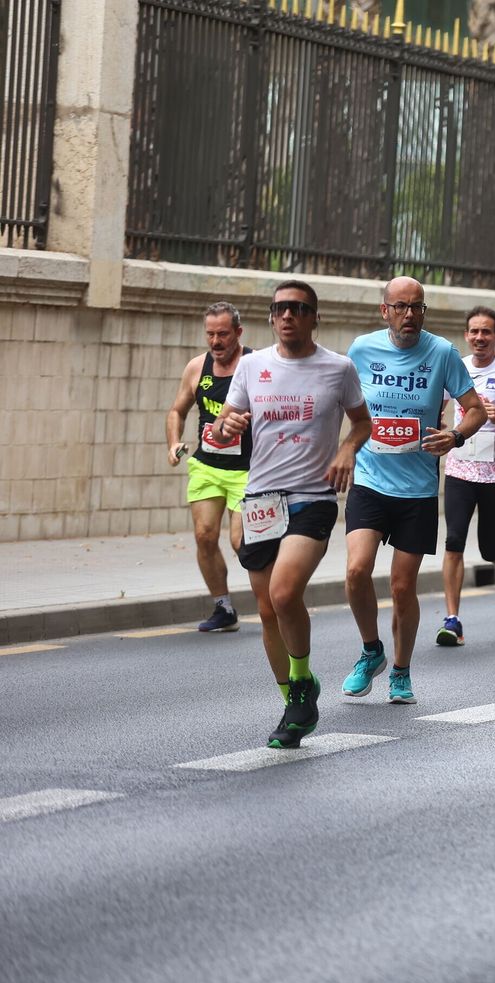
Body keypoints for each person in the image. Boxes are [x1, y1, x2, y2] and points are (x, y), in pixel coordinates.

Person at [209, 280, 370, 748]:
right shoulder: (252, 366)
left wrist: (346, 451)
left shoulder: (337, 368)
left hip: (313, 498)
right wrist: (227, 423)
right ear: (271, 315)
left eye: (298, 308)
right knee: (265, 610)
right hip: (261, 500)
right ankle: (294, 703)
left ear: (313, 317)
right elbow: (221, 428)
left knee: (283, 593)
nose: (288, 315)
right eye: (280, 308)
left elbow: (363, 422)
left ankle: (300, 681)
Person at [341, 277, 485, 705]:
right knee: (355, 571)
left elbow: (475, 409)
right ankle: (371, 651)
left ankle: (401, 670)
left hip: (418, 490)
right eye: (401, 307)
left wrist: (455, 437)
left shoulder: (441, 352)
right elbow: (344, 407)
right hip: (369, 480)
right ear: (384, 311)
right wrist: (344, 450)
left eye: (418, 307)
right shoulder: (361, 350)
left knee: (403, 587)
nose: (410, 315)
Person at [436, 306, 495, 646]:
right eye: (474, 331)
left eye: (486, 332)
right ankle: (453, 620)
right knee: (454, 541)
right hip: (460, 468)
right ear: (466, 335)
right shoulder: (456, 367)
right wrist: (442, 424)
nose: (479, 338)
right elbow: (440, 403)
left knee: (488, 546)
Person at [165, 302, 251, 633]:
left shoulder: (255, 365)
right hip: (207, 464)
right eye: (210, 334)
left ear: (238, 333)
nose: (215, 341)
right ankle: (223, 607)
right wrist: (173, 443)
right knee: (204, 535)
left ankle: (274, 593)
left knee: (240, 541)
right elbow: (177, 411)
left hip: (248, 469)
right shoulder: (197, 367)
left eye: (223, 334)